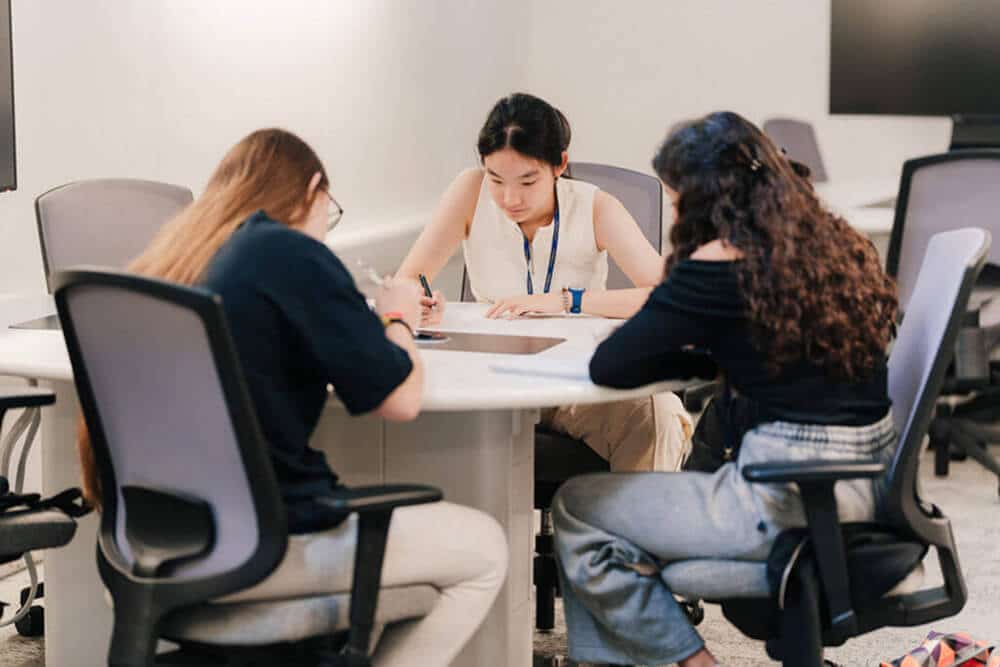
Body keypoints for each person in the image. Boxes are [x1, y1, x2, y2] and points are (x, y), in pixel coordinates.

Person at [76, 128, 507, 667]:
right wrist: (397, 316)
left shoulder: (181, 257)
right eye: (331, 208)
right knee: (485, 548)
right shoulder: (288, 250)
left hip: (143, 546)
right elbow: (399, 399)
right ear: (312, 189)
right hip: (259, 547)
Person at [552, 112, 898, 667]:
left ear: (707, 200)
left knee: (579, 506)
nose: (674, 215)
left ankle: (692, 664)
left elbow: (611, 367)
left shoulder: (717, 263)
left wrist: (676, 302)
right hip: (866, 486)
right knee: (628, 521)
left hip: (781, 494)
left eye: (676, 200)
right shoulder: (828, 242)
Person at [397, 93, 692, 472]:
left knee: (658, 417)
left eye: (527, 181)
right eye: (496, 179)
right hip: (486, 379)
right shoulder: (469, 191)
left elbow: (671, 298)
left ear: (559, 165)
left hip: (576, 383)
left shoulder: (595, 206)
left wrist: (570, 300)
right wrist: (419, 301)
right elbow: (408, 280)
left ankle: (632, 514)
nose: (510, 198)